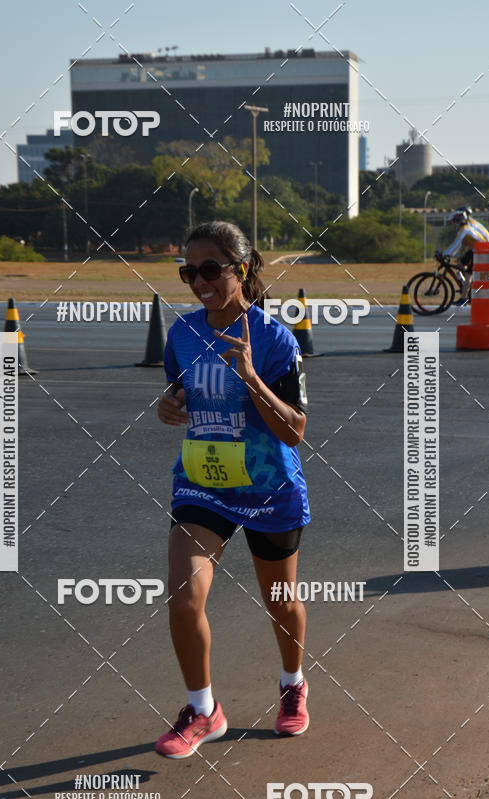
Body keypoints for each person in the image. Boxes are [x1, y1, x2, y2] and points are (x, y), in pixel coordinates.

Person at [155, 220, 311, 759]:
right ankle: (203, 711)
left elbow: (295, 429)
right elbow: (178, 394)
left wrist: (249, 375)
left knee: (281, 601)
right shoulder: (181, 334)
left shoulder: (274, 338)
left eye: (210, 269)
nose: (199, 281)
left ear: (241, 270)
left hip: (269, 486)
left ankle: (293, 683)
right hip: (204, 485)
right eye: (189, 271)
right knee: (183, 596)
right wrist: (167, 407)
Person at [439, 208, 489, 304]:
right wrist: (449, 254)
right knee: (460, 262)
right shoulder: (466, 227)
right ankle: (466, 285)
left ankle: (464, 298)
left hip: (482, 251)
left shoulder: (465, 230)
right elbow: (459, 246)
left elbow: (455, 244)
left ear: (459, 221)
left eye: (454, 222)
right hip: (476, 249)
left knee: (468, 274)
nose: (453, 224)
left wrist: (444, 254)